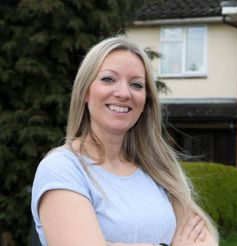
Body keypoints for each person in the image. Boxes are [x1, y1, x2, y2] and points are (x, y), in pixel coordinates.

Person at [31, 36, 218, 246]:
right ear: (84, 91)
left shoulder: (158, 170)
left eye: (136, 84)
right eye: (108, 79)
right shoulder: (62, 169)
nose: (123, 93)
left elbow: (203, 239)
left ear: (146, 101)